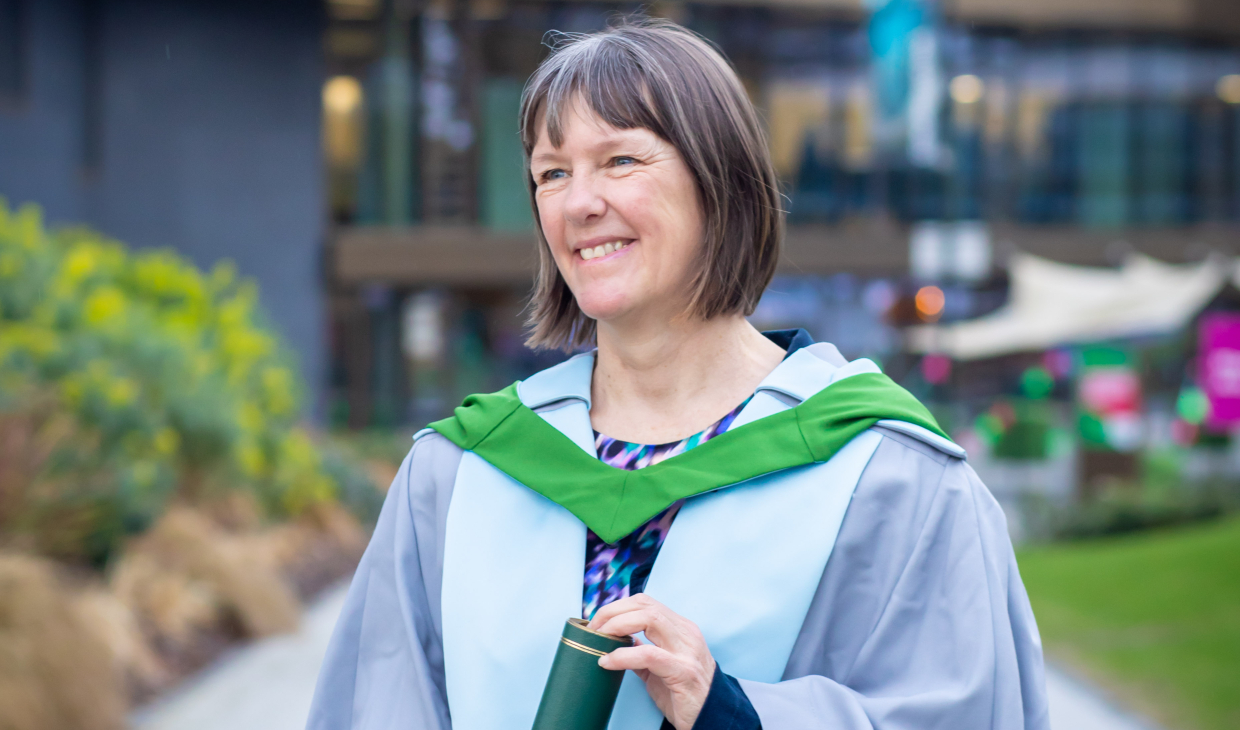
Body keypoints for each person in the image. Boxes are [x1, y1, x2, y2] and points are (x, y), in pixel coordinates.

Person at [307, 19, 1049, 730]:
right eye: (552, 173)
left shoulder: (891, 477)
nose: (580, 204)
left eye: (621, 160)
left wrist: (730, 711)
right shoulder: (459, 473)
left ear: (719, 181)